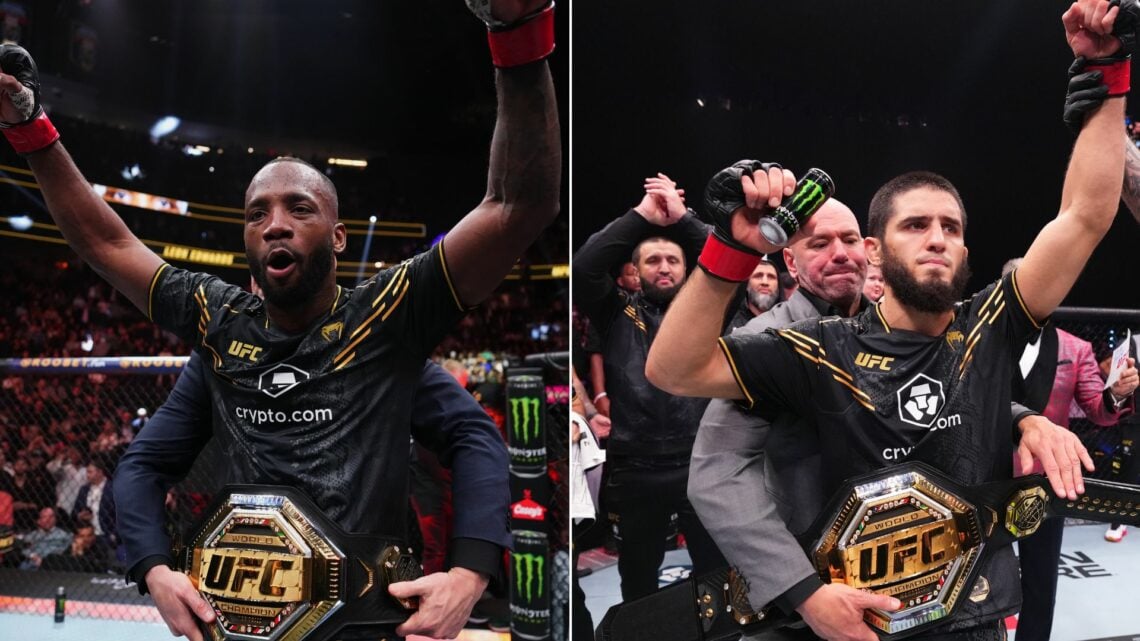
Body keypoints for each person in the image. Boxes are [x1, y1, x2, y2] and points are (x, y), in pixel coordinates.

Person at [0, 0, 560, 636]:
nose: (275, 225)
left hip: (367, 623)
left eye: (298, 208)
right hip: (239, 625)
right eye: (256, 213)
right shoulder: (219, 328)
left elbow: (519, 203)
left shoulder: (387, 315)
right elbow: (108, 248)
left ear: (339, 236)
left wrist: (516, 32)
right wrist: (153, 567)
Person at [646, 4, 1128, 638]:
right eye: (915, 225)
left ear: (965, 248)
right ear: (876, 249)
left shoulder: (989, 327)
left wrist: (1108, 70)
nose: (936, 239)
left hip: (969, 622)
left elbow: (1085, 215)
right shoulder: (817, 350)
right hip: (852, 623)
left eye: (951, 228)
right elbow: (674, 368)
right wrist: (733, 251)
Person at [688, 198, 870, 619]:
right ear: (791, 259)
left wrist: (1019, 420)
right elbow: (716, 471)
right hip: (811, 576)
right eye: (819, 243)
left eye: (849, 239)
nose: (840, 252)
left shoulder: (893, 327)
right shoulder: (767, 338)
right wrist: (802, 590)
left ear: (868, 250)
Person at [572, 173, 727, 602]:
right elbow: (584, 266)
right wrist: (640, 216)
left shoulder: (708, 308)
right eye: (653, 260)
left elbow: (731, 257)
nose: (664, 267)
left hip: (701, 461)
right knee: (638, 580)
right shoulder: (615, 312)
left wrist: (683, 221)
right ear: (635, 271)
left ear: (686, 267)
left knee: (717, 572)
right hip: (636, 466)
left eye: (673, 259)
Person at [1005, 254, 1137, 641]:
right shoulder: (978, 342)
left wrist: (1115, 393)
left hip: (1047, 480)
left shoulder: (1075, 348)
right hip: (983, 473)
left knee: (1040, 582)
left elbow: (1098, 410)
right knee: (975, 580)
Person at [728, 259, 783, 329]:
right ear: (747, 285)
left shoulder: (789, 323)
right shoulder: (729, 323)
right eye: (758, 276)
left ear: (778, 286)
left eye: (771, 277)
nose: (765, 282)